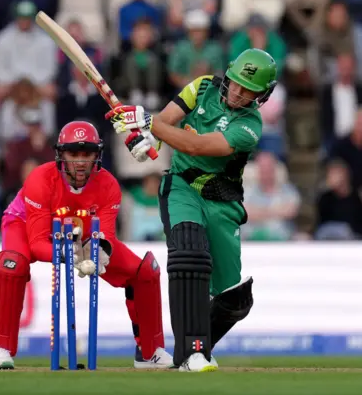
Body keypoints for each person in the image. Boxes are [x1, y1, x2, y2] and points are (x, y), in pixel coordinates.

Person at [107, 48, 276, 372]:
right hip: (182, 186)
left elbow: (196, 145)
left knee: (234, 299)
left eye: (248, 89)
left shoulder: (250, 124)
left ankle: (191, 352)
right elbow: (166, 123)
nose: (238, 92)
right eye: (236, 83)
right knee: (189, 253)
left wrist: (148, 123)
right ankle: (193, 351)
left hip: (222, 202)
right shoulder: (201, 88)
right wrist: (145, 141)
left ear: (261, 95)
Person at [0, 121, 172, 370]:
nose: (81, 161)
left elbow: (105, 238)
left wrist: (97, 255)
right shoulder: (40, 179)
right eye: (74, 153)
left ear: (98, 155)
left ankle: (150, 353)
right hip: (26, 223)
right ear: (60, 154)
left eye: (87, 154)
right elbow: (38, 243)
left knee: (144, 272)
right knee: (12, 265)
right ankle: (2, 349)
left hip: (83, 229)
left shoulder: (108, 185)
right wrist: (71, 254)